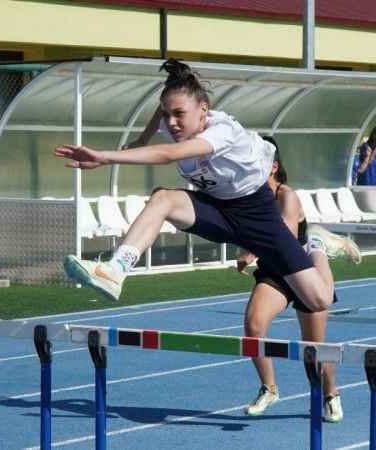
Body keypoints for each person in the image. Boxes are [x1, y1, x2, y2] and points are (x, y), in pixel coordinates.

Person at [55, 59, 358, 312]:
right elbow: (159, 118)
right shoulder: (173, 121)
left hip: (258, 215)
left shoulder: (221, 131)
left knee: (317, 301)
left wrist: (107, 157)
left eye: (179, 114)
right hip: (218, 209)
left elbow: (168, 155)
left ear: (204, 109)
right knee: (163, 199)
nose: (171, 123)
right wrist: (142, 138)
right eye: (167, 114)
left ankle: (317, 244)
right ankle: (116, 270)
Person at [237, 136, 346, 422]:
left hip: (303, 270)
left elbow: (282, 232)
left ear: (272, 167)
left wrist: (250, 252)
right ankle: (269, 387)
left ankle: (331, 394)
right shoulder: (250, 197)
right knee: (254, 325)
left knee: (314, 348)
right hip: (275, 272)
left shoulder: (287, 194)